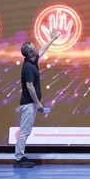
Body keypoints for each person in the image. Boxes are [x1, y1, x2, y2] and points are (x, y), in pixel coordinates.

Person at [13, 30, 61, 168]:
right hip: (29, 104)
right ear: (30, 53)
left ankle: (21, 156)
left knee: (26, 131)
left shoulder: (32, 61)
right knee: (24, 131)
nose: (37, 48)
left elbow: (43, 50)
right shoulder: (28, 67)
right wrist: (37, 103)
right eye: (34, 48)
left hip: (30, 104)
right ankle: (19, 158)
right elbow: (29, 86)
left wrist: (52, 39)